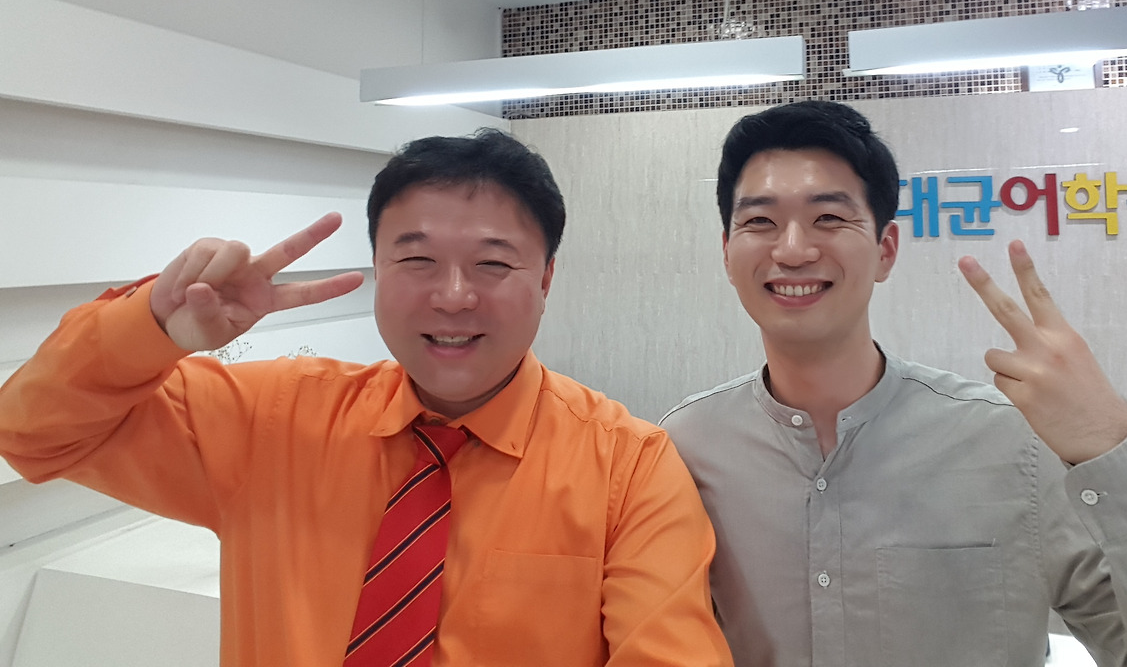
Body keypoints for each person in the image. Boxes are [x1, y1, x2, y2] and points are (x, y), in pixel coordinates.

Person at [0, 129, 730, 667]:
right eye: (417, 260)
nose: (453, 296)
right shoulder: (268, 420)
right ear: (377, 269)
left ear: (545, 279)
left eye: (492, 264)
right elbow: (33, 432)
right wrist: (153, 329)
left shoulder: (629, 467)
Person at [660, 99, 1127, 667]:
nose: (792, 250)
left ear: (886, 249)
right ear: (727, 252)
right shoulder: (682, 449)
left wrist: (1113, 445)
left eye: (828, 217)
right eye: (761, 221)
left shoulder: (1013, 444)